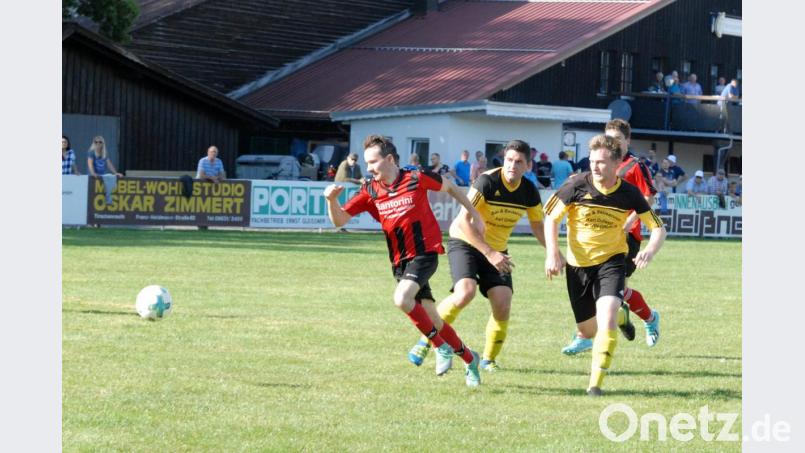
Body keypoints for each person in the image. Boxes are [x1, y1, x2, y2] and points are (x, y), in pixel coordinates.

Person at [323, 134, 483, 387]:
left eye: (373, 162)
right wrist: (331, 201)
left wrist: (474, 214)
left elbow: (451, 187)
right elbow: (340, 221)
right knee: (435, 320)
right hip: (399, 262)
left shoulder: (416, 178)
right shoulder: (370, 190)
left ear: (389, 159)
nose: (369, 168)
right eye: (366, 163)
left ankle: (439, 347)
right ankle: (469, 358)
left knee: (401, 299)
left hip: (426, 253)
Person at [407, 140, 549, 373]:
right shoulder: (487, 181)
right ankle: (427, 340)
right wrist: (491, 253)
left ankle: (488, 360)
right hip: (465, 240)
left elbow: (538, 227)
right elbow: (464, 221)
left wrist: (553, 252)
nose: (512, 165)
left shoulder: (529, 191)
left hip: (496, 250)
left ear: (528, 166)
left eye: (518, 162)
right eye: (509, 160)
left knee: (503, 303)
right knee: (465, 293)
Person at [544, 134, 666, 396]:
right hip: (577, 266)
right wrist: (552, 253)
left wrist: (649, 251)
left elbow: (658, 227)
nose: (594, 167)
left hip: (612, 261)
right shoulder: (575, 185)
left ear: (616, 164)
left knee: (607, 314)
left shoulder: (629, 193)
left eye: (600, 162)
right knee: (587, 330)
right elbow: (550, 219)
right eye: (591, 161)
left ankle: (595, 384)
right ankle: (623, 314)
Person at [562, 119, 662, 355]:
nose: (612, 142)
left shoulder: (635, 167)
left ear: (627, 141)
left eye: (617, 139)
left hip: (627, 236)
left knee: (611, 290)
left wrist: (630, 221)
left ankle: (646, 318)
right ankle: (620, 320)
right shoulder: (600, 162)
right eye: (608, 137)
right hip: (598, 233)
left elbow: (648, 198)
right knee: (607, 292)